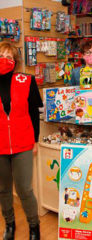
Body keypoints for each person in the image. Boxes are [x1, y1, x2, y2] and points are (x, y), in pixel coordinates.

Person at [0, 42, 43, 240]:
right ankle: (9, 224)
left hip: (23, 143)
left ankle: (34, 226)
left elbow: (34, 113)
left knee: (24, 189)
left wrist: (34, 141)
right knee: (3, 189)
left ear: (15, 61)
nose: (4, 59)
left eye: (9, 56)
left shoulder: (26, 80)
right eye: (1, 55)